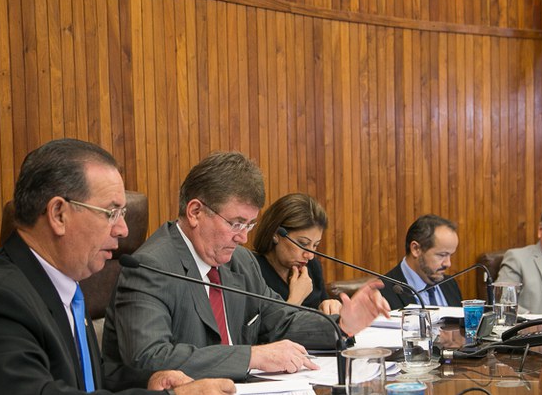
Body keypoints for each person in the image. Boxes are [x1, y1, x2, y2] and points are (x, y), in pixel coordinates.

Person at [0, 139, 236, 395]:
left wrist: (148, 383)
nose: (123, 229)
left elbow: (83, 381)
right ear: (58, 214)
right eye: (111, 212)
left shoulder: (62, 287)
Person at [103, 152, 390, 381]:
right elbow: (150, 357)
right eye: (236, 223)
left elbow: (281, 321)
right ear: (195, 212)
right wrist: (253, 356)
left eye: (249, 225)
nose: (243, 237)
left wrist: (342, 325)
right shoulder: (150, 267)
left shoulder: (240, 261)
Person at [252, 193, 341, 314]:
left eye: (315, 245)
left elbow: (323, 311)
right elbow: (262, 325)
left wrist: (329, 306)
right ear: (275, 234)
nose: (310, 255)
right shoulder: (252, 270)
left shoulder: (312, 266)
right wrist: (296, 299)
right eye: (303, 243)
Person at [379, 214, 463, 310]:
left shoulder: (450, 284)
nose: (448, 263)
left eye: (450, 255)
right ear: (416, 249)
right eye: (442, 255)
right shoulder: (383, 292)